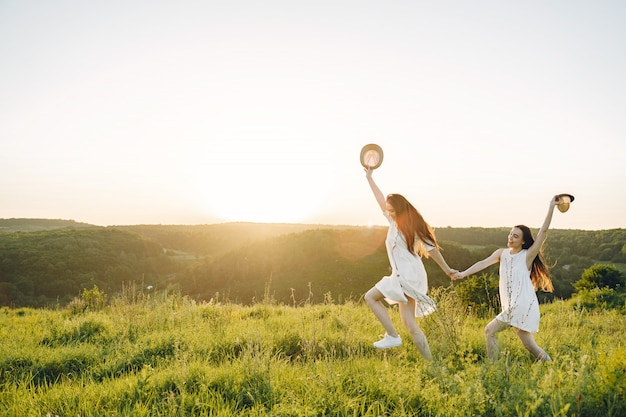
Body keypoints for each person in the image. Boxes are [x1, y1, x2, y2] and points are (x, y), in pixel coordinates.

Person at [363, 167, 456, 360]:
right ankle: (431, 364)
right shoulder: (393, 222)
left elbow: (433, 250)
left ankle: (392, 336)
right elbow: (379, 199)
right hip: (404, 274)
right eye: (387, 208)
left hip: (408, 275)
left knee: (371, 297)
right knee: (410, 325)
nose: (387, 211)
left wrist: (447, 270)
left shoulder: (413, 227)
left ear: (399, 208)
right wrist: (369, 178)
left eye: (391, 208)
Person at [452, 196, 560, 362]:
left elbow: (543, 233)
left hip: (520, 304)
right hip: (513, 305)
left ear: (523, 241)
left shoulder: (527, 256)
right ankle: (551, 364)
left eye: (516, 236)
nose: (511, 237)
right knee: (529, 345)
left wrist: (551, 206)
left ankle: (494, 369)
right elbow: (482, 263)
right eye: (510, 234)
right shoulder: (501, 253)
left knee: (489, 331)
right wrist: (463, 273)